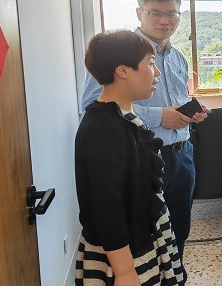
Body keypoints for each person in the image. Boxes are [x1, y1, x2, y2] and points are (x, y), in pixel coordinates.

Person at [81, 0, 209, 277]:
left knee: (178, 228)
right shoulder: (119, 52)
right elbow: (94, 104)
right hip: (145, 156)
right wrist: (159, 116)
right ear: (140, 13)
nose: (165, 21)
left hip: (182, 154)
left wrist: (192, 111)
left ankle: (173, 276)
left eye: (172, 14)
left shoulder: (177, 57)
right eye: (155, 13)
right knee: (145, 233)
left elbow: (177, 100)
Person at [75, 30, 184, 284]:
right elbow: (105, 206)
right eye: (150, 63)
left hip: (145, 238)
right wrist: (124, 271)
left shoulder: (125, 117)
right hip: (125, 256)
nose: (157, 73)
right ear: (123, 70)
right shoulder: (102, 127)